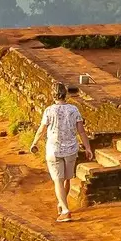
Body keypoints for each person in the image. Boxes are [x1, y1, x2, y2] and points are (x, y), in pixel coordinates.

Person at [27, 83, 93, 222]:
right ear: (65, 94)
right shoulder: (74, 110)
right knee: (67, 179)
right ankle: (62, 203)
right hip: (70, 149)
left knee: (58, 180)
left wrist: (34, 143)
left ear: (53, 95)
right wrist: (88, 148)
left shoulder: (49, 111)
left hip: (54, 149)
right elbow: (81, 131)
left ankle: (65, 209)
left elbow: (41, 130)